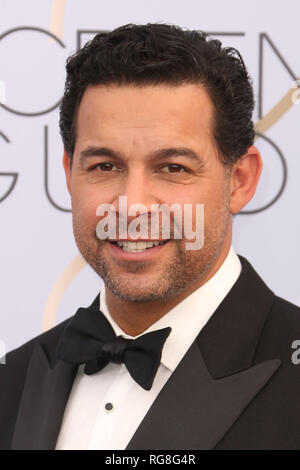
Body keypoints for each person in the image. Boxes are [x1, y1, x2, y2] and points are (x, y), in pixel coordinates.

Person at [1, 23, 299, 451]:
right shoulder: (13, 379)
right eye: (105, 166)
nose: (132, 206)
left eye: (172, 167)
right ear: (68, 174)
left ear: (240, 180)